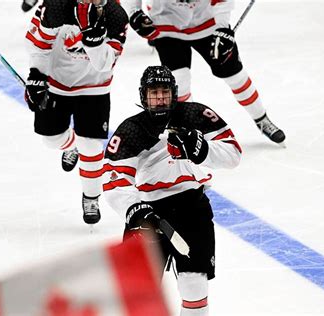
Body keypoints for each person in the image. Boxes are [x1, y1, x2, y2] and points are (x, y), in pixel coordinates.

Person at [102, 66, 242, 315]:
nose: (159, 99)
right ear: (143, 95)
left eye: (164, 92)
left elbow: (233, 154)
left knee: (194, 284)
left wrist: (204, 151)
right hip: (149, 211)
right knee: (137, 288)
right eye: (153, 93)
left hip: (193, 208)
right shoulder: (132, 130)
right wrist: (135, 209)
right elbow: (114, 183)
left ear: (174, 93)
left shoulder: (196, 114)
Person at [122, 0, 286, 144]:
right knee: (180, 81)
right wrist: (134, 11)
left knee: (235, 76)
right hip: (167, 24)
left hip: (208, 23)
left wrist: (223, 28)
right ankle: (190, 131)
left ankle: (261, 118)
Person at [24, 0, 128, 224]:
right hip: (57, 82)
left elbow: (105, 64)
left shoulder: (115, 15)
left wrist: (94, 43)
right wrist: (36, 75)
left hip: (95, 87)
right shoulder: (56, 6)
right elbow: (39, 44)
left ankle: (91, 197)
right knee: (51, 140)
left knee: (91, 145)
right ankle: (72, 146)